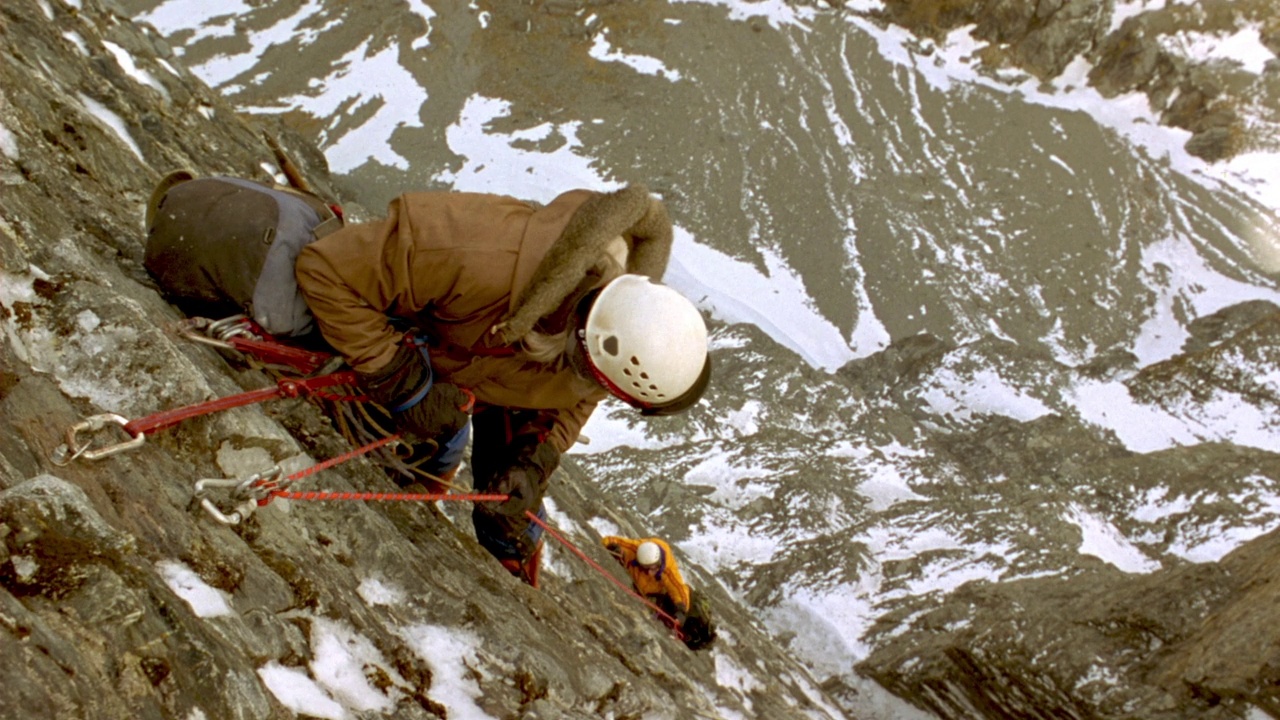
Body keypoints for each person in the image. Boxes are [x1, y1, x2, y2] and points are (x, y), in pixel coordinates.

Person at [293, 184, 712, 587]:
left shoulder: (611, 340)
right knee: (444, 439)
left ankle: (491, 548)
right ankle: (406, 496)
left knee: (513, 516)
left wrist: (534, 457)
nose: (604, 394)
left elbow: (576, 400)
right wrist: (404, 382)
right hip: (412, 337)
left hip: (490, 367)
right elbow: (326, 270)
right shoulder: (478, 255)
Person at [602, 535, 716, 650]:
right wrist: (614, 548)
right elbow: (609, 540)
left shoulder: (668, 568)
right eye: (646, 569)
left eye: (654, 568)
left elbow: (678, 589)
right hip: (644, 591)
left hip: (659, 594)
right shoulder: (634, 548)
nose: (651, 573)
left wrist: (681, 610)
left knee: (684, 616)